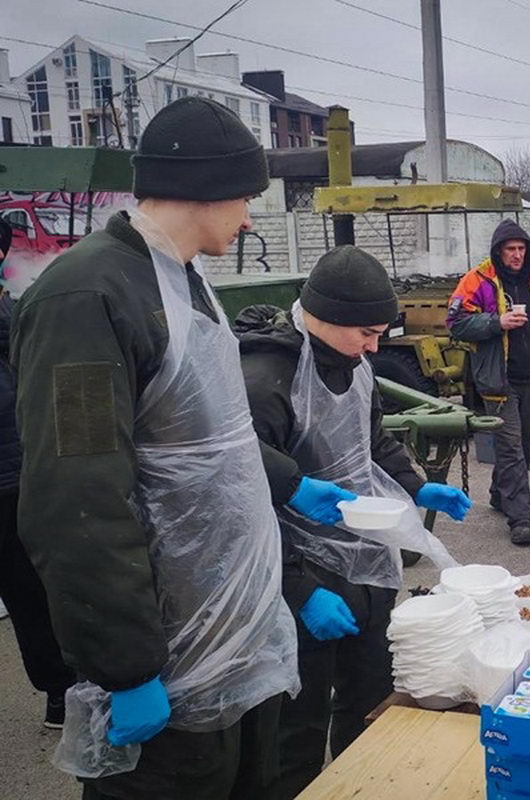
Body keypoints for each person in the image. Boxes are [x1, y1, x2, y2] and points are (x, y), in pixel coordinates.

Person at [8, 96, 360, 797]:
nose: (251, 217)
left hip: (231, 631)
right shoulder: (87, 297)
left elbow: (202, 436)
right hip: (167, 648)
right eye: (248, 198)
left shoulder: (180, 280)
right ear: (208, 188)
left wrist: (288, 482)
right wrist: (127, 666)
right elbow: (78, 498)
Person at [237, 245, 471, 797]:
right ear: (325, 316)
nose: (373, 345)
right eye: (365, 332)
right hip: (292, 575)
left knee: (370, 702)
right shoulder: (265, 380)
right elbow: (240, 506)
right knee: (297, 727)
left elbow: (373, 441)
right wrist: (298, 591)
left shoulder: (356, 363)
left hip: (362, 559)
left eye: (379, 334)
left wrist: (417, 485)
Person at [447, 220, 530, 546]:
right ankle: (520, 518)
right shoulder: (478, 280)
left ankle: (501, 494)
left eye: (521, 249)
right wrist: (496, 322)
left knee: (522, 444)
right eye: (510, 249)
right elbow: (455, 323)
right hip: (497, 380)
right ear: (499, 251)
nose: (516, 255)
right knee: (512, 447)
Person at [0, 283, 75, 730]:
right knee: (30, 594)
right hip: (17, 479)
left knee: (38, 591)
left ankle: (63, 689)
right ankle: (59, 688)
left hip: (27, 480)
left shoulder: (21, 317)